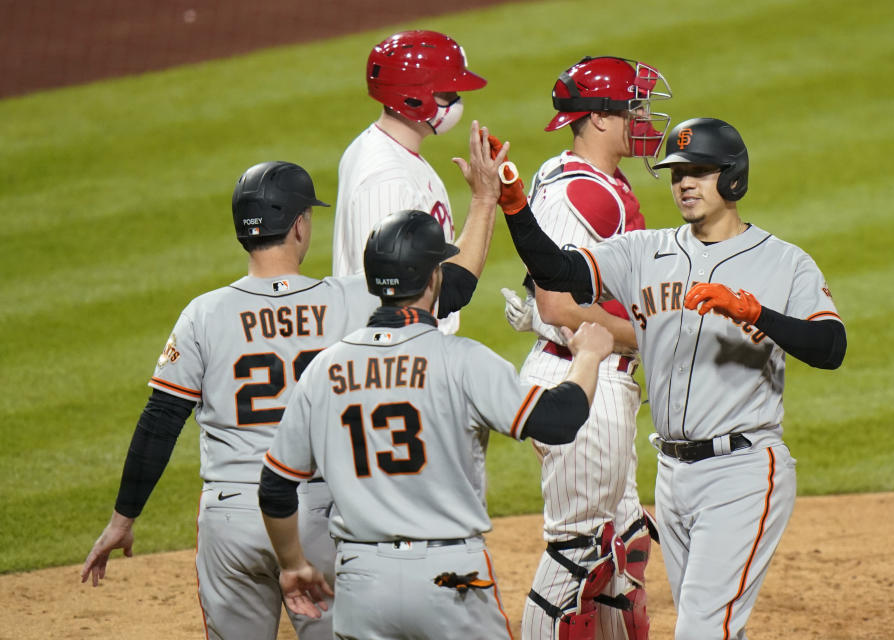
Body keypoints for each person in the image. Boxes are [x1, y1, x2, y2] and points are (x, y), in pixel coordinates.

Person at [81, 122, 503, 640]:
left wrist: (123, 519)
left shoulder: (203, 314)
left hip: (230, 517)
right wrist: (484, 201)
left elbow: (160, 422)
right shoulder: (349, 298)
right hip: (313, 513)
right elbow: (454, 287)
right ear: (300, 225)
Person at [493, 117, 846, 640]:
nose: (683, 182)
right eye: (677, 172)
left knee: (701, 629)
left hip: (742, 471)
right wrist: (517, 208)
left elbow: (831, 347)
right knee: (715, 625)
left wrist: (756, 313)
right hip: (673, 475)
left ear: (732, 179)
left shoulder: (783, 262)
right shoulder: (644, 252)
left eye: (698, 171)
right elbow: (558, 271)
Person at [257, 207, 617, 640]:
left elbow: (275, 487)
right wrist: (589, 357)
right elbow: (559, 421)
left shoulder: (323, 369)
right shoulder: (462, 360)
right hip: (449, 578)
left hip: (361, 579)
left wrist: (294, 564)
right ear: (433, 279)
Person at [498, 56, 672, 640]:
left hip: (590, 374)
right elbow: (559, 306)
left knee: (621, 550)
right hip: (584, 377)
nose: (646, 119)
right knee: (578, 553)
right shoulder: (586, 194)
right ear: (599, 118)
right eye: (635, 108)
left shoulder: (572, 174)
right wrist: (651, 335)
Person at [332, 29, 488, 335]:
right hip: (399, 362)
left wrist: (486, 198)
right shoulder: (387, 178)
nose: (457, 101)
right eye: (448, 92)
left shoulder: (391, 151)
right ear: (415, 96)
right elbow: (381, 295)